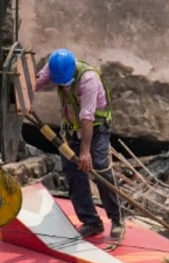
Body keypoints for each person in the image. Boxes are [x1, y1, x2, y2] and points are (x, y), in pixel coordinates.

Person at [36, 48, 123, 240]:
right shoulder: (53, 67)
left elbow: (87, 117)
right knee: (72, 172)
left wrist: (85, 152)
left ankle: (117, 219)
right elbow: (35, 83)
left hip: (96, 128)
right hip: (72, 128)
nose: (64, 87)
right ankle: (91, 221)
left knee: (100, 167)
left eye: (65, 83)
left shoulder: (89, 79)